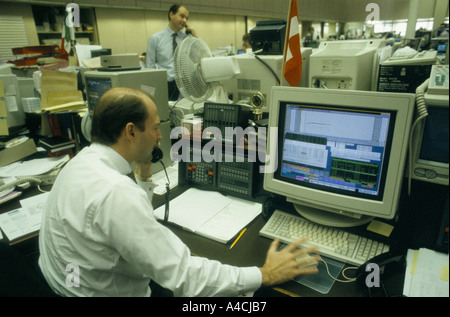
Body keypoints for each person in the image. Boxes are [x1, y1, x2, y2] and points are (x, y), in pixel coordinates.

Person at [38, 87, 320, 297]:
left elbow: (118, 224)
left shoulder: (81, 163)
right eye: (155, 127)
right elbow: (185, 276)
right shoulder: (117, 194)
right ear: (130, 132)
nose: (161, 135)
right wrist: (265, 273)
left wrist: (144, 172)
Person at [146, 4, 196, 101]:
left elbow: (197, 57)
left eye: (186, 18)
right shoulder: (155, 39)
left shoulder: (187, 38)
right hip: (164, 85)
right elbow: (149, 67)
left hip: (183, 85)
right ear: (171, 14)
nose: (185, 20)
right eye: (182, 16)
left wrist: (194, 36)